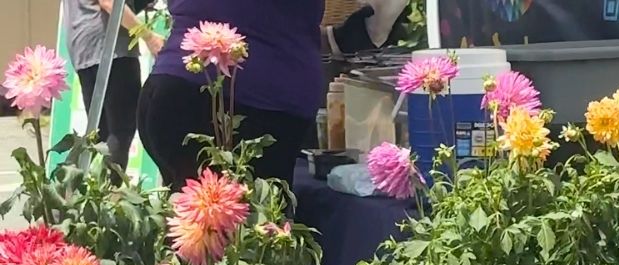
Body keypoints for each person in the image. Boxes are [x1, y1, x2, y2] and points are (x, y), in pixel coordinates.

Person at [136, 1, 391, 191]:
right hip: (245, 105)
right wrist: (371, 30)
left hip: (171, 89)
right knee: (251, 236)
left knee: (193, 236)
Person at [61, 0, 163, 171]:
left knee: (100, 133)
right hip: (111, 47)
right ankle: (108, 186)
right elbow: (110, 3)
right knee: (120, 130)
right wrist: (149, 37)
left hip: (83, 45)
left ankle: (87, 183)